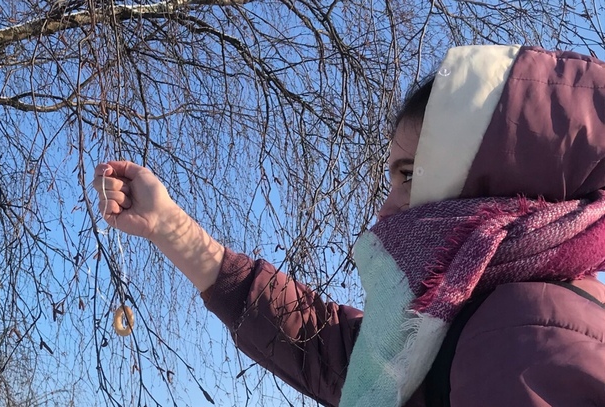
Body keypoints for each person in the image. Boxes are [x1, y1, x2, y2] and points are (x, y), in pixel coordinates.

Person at [93, 45, 605, 407]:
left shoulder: (522, 337)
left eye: (409, 175)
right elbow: (325, 348)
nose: (385, 210)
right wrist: (169, 226)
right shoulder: (465, 320)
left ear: (485, 180)